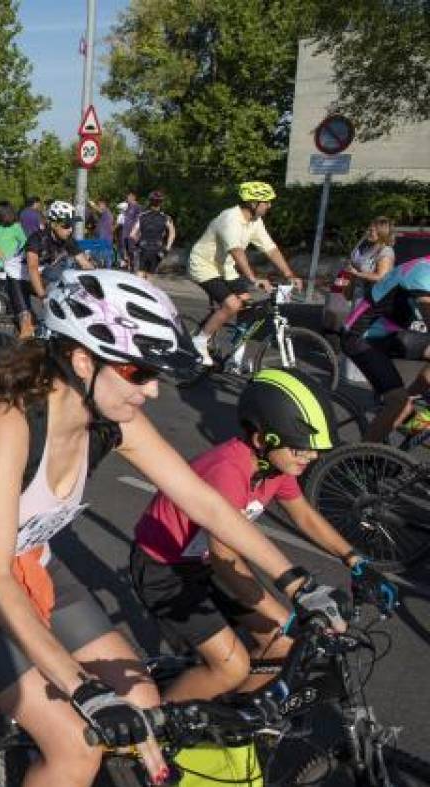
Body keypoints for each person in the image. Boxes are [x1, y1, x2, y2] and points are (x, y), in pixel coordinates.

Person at [0, 269, 346, 787]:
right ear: (82, 359)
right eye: (137, 373)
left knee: (144, 704)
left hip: (35, 565)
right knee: (75, 749)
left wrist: (298, 584)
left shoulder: (111, 414)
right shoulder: (9, 421)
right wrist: (81, 689)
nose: (152, 391)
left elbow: (207, 505)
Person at [131, 369, 396, 702]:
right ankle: (162, 735)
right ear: (262, 440)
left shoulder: (274, 465)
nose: (311, 457)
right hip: (164, 569)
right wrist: (285, 617)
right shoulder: (229, 470)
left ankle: (227, 720)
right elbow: (225, 560)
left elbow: (304, 515)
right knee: (231, 667)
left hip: (205, 561)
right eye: (301, 449)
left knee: (282, 648)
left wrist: (356, 560)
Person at [187, 182, 303, 366]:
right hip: (203, 266)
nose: (270, 205)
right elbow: (237, 251)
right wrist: (253, 279)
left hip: (225, 268)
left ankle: (236, 354)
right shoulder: (230, 219)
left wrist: (289, 274)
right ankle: (199, 341)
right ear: (252, 203)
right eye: (266, 202)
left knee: (247, 306)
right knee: (232, 304)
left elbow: (270, 248)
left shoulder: (255, 221)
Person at [342, 256, 430, 441]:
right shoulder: (423, 272)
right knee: (398, 400)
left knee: (404, 401)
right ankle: (361, 458)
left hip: (387, 334)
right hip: (361, 336)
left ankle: (408, 409)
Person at [11, 201, 93, 339]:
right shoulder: (37, 239)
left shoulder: (67, 239)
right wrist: (43, 297)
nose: (70, 229)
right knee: (27, 328)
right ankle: (15, 357)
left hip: (39, 276)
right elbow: (32, 269)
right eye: (66, 225)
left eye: (72, 225)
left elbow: (85, 264)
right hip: (17, 277)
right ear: (54, 224)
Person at [344, 216, 396, 305]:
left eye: (371, 231)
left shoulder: (385, 251)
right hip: (358, 297)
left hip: (371, 302)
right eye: (368, 230)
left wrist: (357, 273)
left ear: (381, 233)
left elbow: (381, 277)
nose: (367, 233)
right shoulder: (367, 249)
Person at [128, 191, 175, 281]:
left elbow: (132, 234)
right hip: (156, 250)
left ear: (150, 202)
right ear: (161, 203)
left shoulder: (142, 216)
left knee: (139, 276)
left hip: (143, 249)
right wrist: (167, 248)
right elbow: (172, 233)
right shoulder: (166, 218)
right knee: (150, 278)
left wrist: (138, 243)